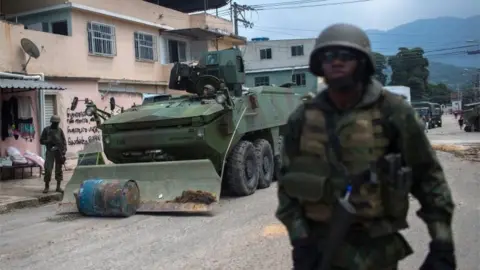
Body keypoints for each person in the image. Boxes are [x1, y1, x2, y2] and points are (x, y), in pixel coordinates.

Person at [276, 23, 456, 270]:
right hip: (320, 250)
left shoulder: (393, 111)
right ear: (319, 64)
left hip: (376, 251)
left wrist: (442, 243)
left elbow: (428, 178)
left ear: (363, 63)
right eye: (328, 56)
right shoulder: (303, 118)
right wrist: (301, 241)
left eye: (345, 56)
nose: (336, 62)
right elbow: (287, 186)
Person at [40, 115, 67, 194]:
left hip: (58, 151)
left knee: (59, 169)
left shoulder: (60, 131)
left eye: (57, 123)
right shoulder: (46, 130)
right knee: (48, 169)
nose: (56, 124)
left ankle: (58, 187)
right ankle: (46, 186)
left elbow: (64, 142)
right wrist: (48, 141)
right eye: (54, 123)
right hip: (50, 151)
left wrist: (64, 150)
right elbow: (41, 141)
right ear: (51, 122)